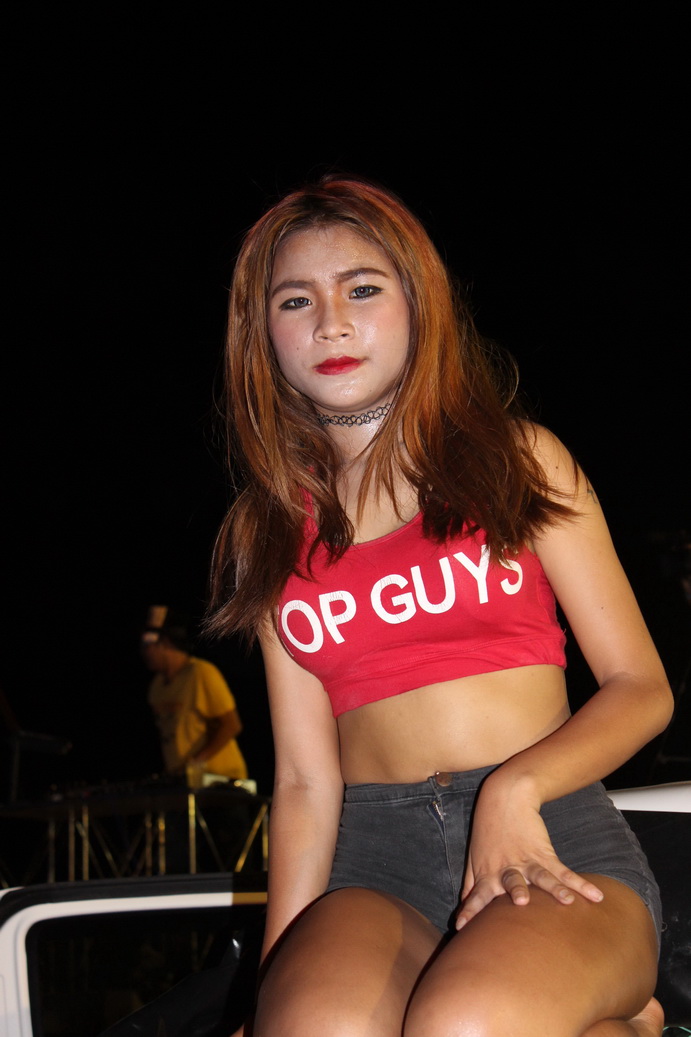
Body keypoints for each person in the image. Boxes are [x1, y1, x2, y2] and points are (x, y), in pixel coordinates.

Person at [206, 177, 673, 1036]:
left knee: (464, 1022)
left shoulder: (516, 460)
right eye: (295, 300)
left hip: (547, 830)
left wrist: (514, 790)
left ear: (419, 306)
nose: (330, 323)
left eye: (362, 289)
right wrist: (268, 986)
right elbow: (306, 779)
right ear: (261, 334)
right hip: (372, 863)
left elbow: (641, 687)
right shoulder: (264, 528)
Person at [142, 606, 247, 783]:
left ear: (165, 643)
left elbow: (232, 725)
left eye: (147, 644)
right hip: (184, 781)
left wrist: (194, 763)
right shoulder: (156, 687)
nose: (143, 651)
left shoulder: (200, 673)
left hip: (220, 778)